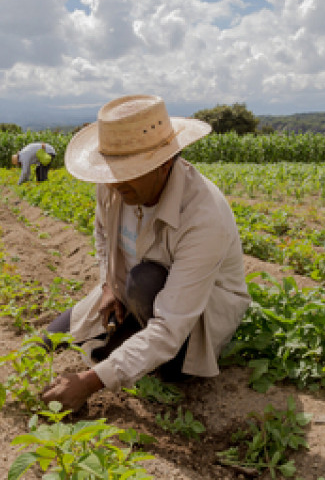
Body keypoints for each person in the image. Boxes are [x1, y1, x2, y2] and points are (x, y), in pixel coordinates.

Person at [40, 94, 251, 412]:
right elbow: (102, 234)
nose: (113, 183)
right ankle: (128, 333)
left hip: (191, 317)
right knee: (48, 339)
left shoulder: (204, 217)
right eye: (112, 171)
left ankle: (166, 366)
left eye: (128, 171)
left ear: (164, 163)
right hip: (130, 292)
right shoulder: (113, 186)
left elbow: (169, 328)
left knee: (145, 280)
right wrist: (108, 283)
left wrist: (89, 382)